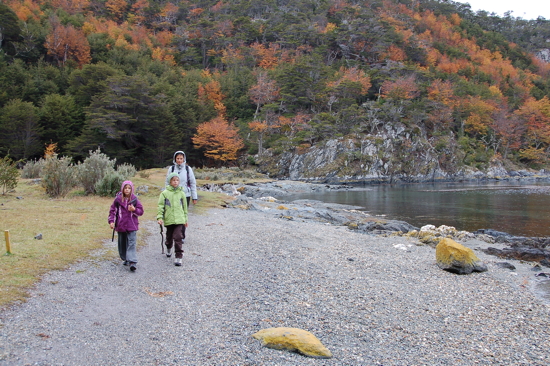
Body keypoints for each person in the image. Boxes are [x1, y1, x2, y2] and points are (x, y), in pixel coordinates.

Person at [108, 180, 144, 272]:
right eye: (125, 188)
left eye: (129, 188)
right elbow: (112, 211)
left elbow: (141, 212)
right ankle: (126, 258)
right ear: (122, 189)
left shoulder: (135, 200)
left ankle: (132, 262)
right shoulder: (118, 200)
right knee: (122, 243)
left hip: (132, 225)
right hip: (121, 225)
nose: (127, 190)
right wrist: (111, 221)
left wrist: (134, 209)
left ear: (132, 189)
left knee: (131, 243)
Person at [165, 150, 197, 244]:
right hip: (172, 195)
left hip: (185, 195)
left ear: (184, 159)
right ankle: (173, 233)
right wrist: (166, 194)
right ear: (175, 159)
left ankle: (181, 235)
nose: (179, 160)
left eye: (181, 158)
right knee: (173, 213)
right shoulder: (171, 169)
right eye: (178, 158)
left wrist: (194, 197)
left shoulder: (188, 169)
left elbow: (192, 183)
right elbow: (167, 182)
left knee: (182, 214)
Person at [157, 172, 188, 266]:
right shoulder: (164, 193)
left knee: (178, 237)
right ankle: (169, 247)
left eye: (177, 180)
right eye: (173, 180)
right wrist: (160, 217)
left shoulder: (182, 193)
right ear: (170, 181)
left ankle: (179, 256)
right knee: (169, 237)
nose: (175, 182)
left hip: (179, 219)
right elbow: (160, 206)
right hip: (169, 219)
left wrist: (185, 219)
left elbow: (185, 208)